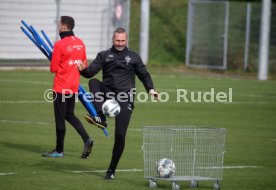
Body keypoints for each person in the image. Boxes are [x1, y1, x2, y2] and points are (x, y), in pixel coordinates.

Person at [77, 27, 158, 179]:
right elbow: (90, 73)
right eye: (117, 40)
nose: (120, 43)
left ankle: (111, 171)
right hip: (107, 94)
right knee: (94, 82)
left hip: (125, 98)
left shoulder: (134, 56)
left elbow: (144, 75)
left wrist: (151, 90)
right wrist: (82, 70)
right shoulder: (104, 55)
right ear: (113, 40)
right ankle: (100, 117)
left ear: (126, 40)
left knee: (120, 135)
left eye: (122, 40)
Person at [42, 16, 93, 159]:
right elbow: (84, 65)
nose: (58, 27)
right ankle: (86, 139)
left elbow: (53, 68)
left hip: (61, 86)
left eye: (59, 24)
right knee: (69, 115)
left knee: (60, 118)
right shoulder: (80, 43)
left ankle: (59, 150)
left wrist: (60, 62)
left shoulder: (59, 44)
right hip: (73, 86)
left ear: (64, 26)